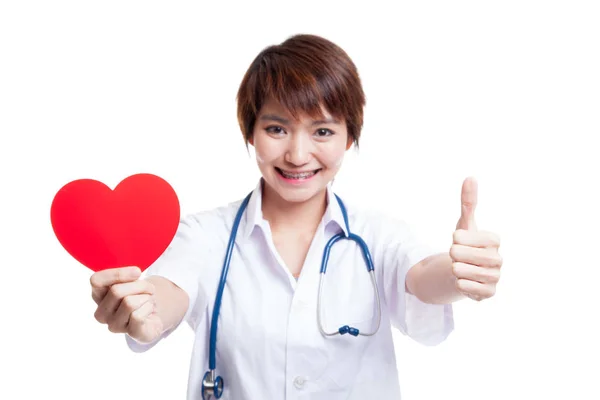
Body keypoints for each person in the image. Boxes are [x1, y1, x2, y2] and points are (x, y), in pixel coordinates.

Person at [89, 33, 503, 399]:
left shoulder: (377, 236)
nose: (298, 155)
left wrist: (458, 273)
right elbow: (169, 292)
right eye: (276, 129)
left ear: (350, 137)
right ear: (250, 132)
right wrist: (144, 312)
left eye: (322, 131)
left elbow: (420, 276)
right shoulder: (205, 235)